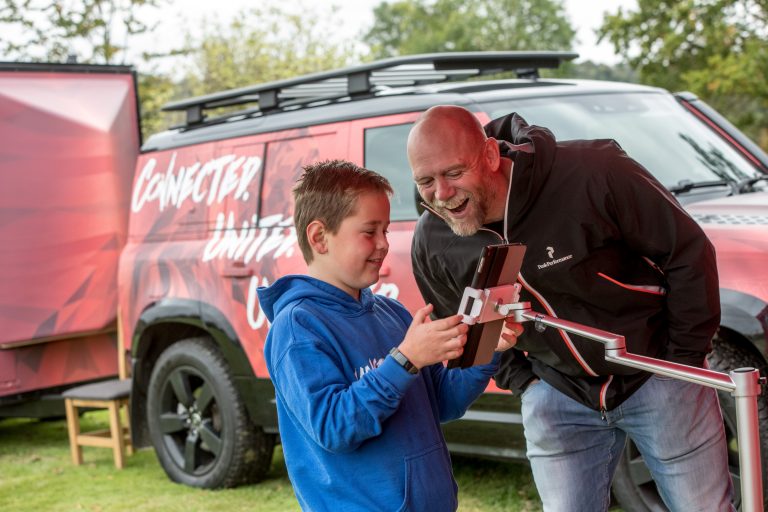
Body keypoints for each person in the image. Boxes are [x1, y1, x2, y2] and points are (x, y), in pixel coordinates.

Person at [407, 105, 734, 511]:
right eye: (425, 181)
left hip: (658, 378)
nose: (441, 194)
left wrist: (682, 361)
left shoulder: (592, 171)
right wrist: (524, 382)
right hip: (556, 397)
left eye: (454, 173)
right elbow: (459, 323)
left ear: (490, 155)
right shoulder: (433, 241)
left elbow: (687, 251)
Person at [256, 159, 519, 512]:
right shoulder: (297, 326)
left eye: (386, 230)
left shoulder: (391, 312)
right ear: (319, 237)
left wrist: (485, 349)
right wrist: (406, 360)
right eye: (369, 231)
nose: (383, 244)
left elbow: (443, 403)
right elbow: (334, 427)